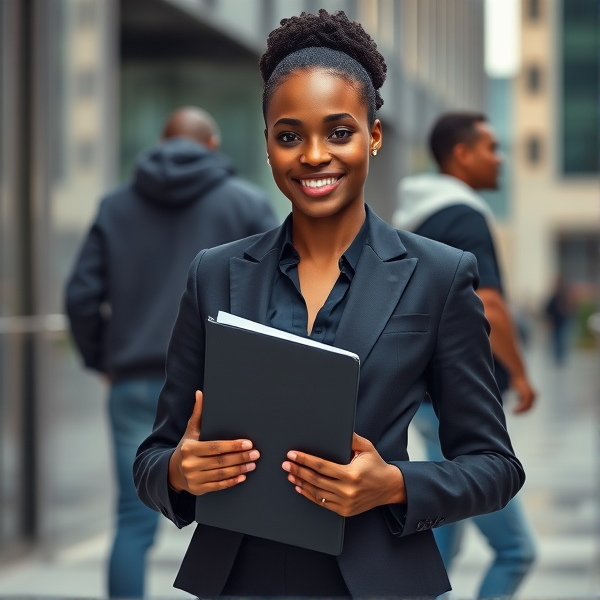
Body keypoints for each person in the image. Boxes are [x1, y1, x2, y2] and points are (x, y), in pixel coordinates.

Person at [134, 11, 525, 599]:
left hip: (378, 580)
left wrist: (394, 484)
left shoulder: (440, 276)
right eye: (289, 136)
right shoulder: (213, 273)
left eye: (338, 131)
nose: (314, 155)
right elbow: (154, 456)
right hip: (239, 581)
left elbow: (495, 465)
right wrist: (178, 471)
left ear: (373, 135)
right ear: (267, 145)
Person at [65, 106, 278, 599]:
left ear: (161, 142)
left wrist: (106, 359)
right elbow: (276, 292)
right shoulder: (244, 202)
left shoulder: (115, 204)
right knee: (239, 522)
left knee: (132, 521)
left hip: (134, 379)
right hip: (217, 385)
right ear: (213, 145)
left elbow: (80, 296)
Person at [394, 112, 537, 598]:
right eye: (492, 148)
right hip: (458, 402)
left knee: (438, 550)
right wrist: (521, 374)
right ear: (461, 154)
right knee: (516, 551)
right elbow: (491, 305)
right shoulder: (465, 215)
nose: (500, 159)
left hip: (430, 395)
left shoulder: (421, 217)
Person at [544, 277, 572, 365]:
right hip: (556, 322)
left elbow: (569, 308)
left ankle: (560, 358)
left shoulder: (563, 296)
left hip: (562, 321)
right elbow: (547, 309)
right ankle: (558, 358)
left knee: (561, 340)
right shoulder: (554, 297)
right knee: (557, 340)